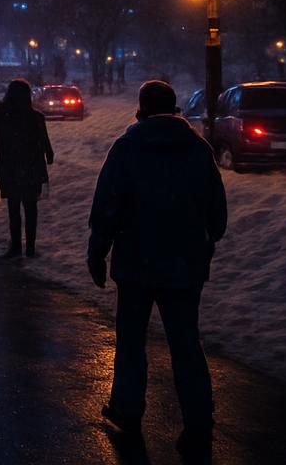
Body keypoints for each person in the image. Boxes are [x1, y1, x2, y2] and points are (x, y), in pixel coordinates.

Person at [88, 80, 227, 457]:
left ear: (141, 109)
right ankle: (198, 418)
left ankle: (128, 409)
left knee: (131, 340)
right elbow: (217, 211)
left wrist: (97, 252)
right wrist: (207, 236)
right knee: (185, 343)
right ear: (175, 108)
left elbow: (107, 207)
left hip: (135, 262)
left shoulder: (127, 148)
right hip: (184, 264)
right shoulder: (198, 149)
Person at [0, 79, 54, 257]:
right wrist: (47, 155)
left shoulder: (2, 114)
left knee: (14, 209)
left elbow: (0, 143)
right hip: (32, 168)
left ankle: (16, 246)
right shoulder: (36, 117)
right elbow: (45, 144)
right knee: (31, 208)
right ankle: (31, 248)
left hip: (10, 168)